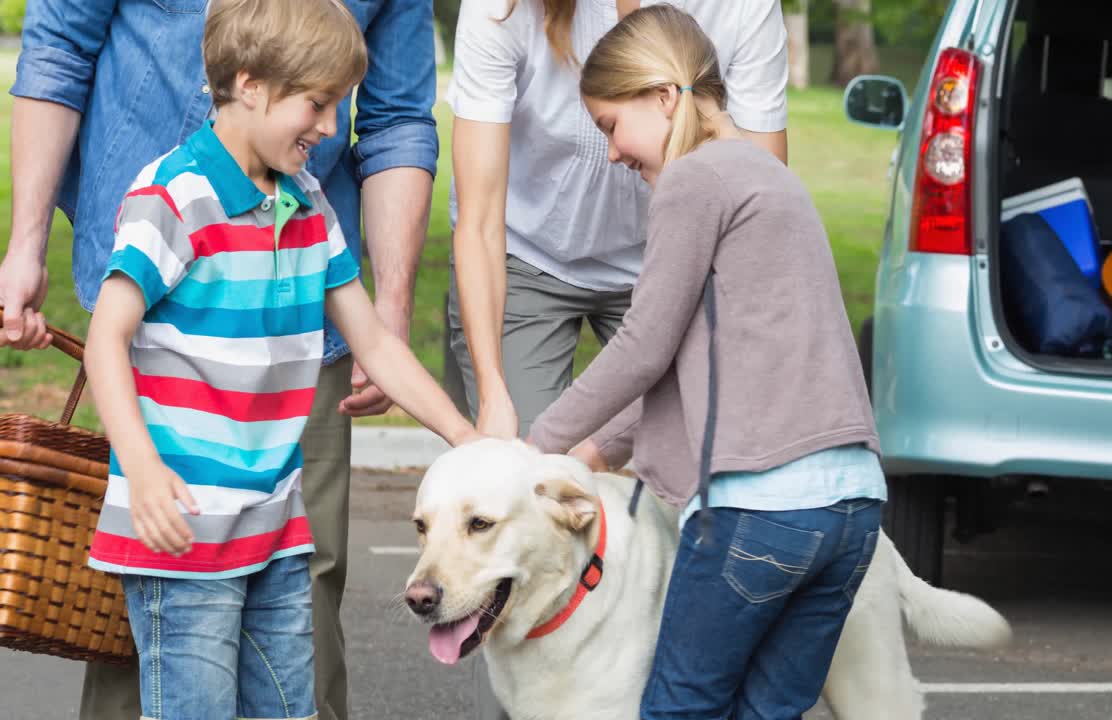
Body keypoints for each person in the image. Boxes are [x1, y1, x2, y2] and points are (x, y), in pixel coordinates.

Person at [0, 0, 440, 717]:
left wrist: (391, 312)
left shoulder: (310, 206)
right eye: (318, 104)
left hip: (299, 304)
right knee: (146, 618)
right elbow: (58, 47)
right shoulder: (169, 199)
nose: (332, 124)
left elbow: (397, 119)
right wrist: (24, 246)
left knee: (303, 588)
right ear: (251, 85)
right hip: (160, 307)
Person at [527, 6, 887, 719]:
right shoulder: (767, 177)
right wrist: (597, 448)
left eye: (610, 126)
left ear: (664, 97)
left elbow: (642, 346)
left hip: (761, 510)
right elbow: (692, 356)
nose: (614, 155)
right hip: (852, 507)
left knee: (679, 708)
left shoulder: (696, 181)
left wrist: (531, 445)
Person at [448, 5, 786, 711]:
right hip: (526, 255)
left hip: (672, 263)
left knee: (697, 502)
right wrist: (495, 396)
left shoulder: (742, 9)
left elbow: (757, 211)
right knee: (522, 516)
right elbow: (477, 218)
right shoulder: (502, 10)